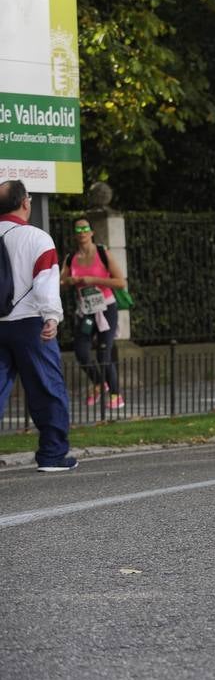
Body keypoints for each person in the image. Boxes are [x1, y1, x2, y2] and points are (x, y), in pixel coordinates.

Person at [0, 180, 76, 471]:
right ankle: (53, 455)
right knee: (47, 388)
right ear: (25, 203)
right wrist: (52, 317)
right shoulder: (36, 238)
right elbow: (46, 282)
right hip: (30, 323)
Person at [59, 217, 128, 409]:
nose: (82, 233)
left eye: (85, 229)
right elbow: (61, 284)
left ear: (91, 232)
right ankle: (99, 383)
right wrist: (69, 282)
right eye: (78, 230)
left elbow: (121, 282)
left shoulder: (102, 253)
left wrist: (93, 280)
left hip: (106, 309)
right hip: (86, 312)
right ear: (75, 234)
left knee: (103, 353)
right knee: (81, 352)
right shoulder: (71, 258)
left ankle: (116, 395)